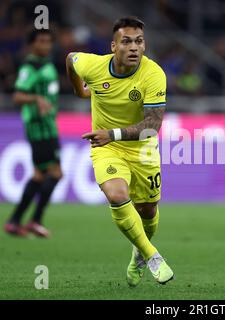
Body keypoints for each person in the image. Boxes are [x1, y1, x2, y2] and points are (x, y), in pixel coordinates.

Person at [65, 16, 174, 285]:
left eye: (139, 41)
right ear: (113, 46)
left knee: (147, 210)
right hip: (107, 148)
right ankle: (152, 257)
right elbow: (70, 59)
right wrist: (80, 90)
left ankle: (138, 253)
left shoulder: (153, 74)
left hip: (142, 149)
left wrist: (111, 133)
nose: (134, 47)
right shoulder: (93, 65)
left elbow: (152, 125)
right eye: (126, 41)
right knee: (116, 194)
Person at [4, 29, 62, 238]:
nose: (46, 45)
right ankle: (35, 221)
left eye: (49, 41)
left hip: (48, 125)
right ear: (32, 44)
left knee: (39, 175)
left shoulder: (46, 63)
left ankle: (14, 221)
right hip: (40, 128)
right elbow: (18, 95)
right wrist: (36, 99)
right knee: (55, 173)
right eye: (41, 41)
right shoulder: (31, 66)